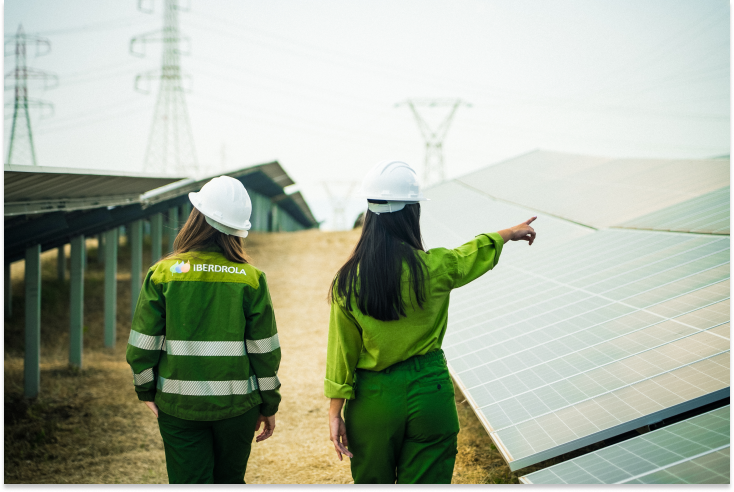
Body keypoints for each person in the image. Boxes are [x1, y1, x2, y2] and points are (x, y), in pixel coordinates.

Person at [324, 160, 537, 484]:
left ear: (370, 216)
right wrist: (508, 233)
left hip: (373, 401)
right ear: (412, 213)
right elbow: (470, 253)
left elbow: (342, 354)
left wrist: (335, 412)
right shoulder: (437, 266)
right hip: (430, 392)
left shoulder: (348, 281)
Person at [126, 176, 281, 484]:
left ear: (196, 217)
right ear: (238, 230)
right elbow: (265, 350)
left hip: (179, 406)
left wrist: (146, 389)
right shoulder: (250, 278)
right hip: (238, 407)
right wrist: (268, 402)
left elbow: (142, 346)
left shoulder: (164, 273)